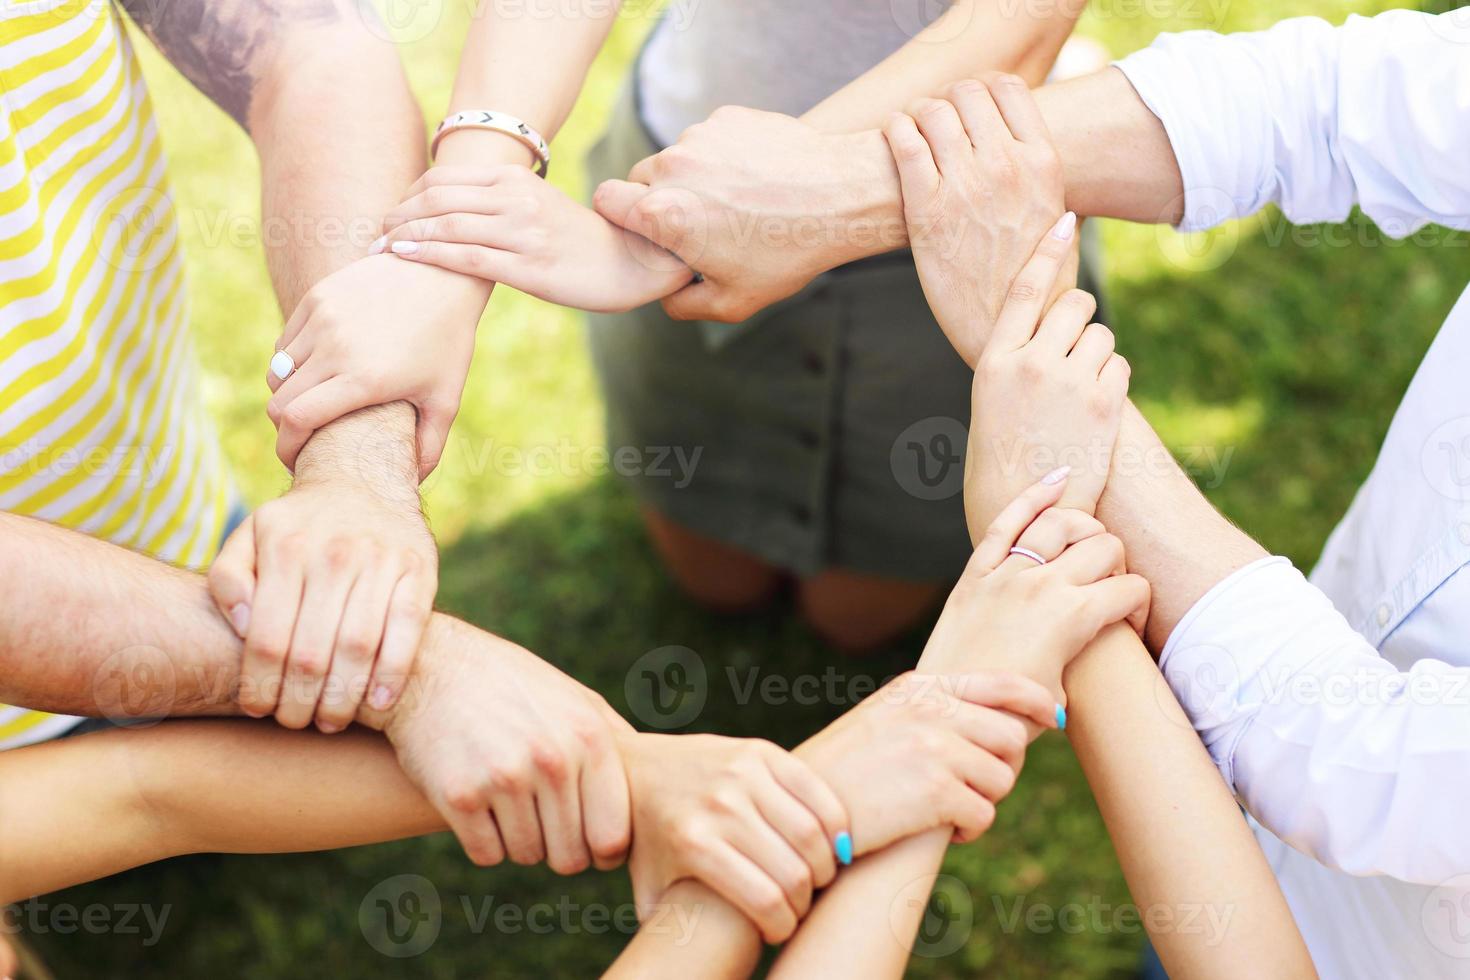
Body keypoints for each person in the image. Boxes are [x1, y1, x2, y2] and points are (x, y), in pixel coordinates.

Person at [267, 0, 1105, 652]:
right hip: (679, 156)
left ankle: (1092, 111)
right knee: (716, 579)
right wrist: (468, 202)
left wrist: (712, 218)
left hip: (933, 216)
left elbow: (1014, 23)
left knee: (857, 617)